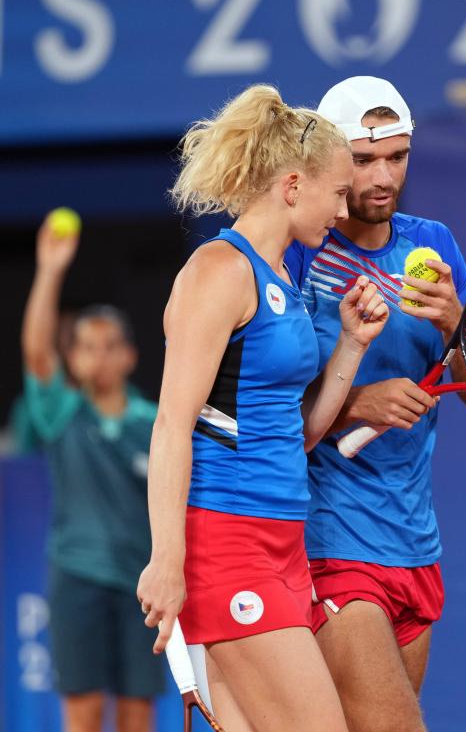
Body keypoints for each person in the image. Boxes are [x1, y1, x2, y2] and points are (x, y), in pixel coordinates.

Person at [136, 84, 389, 732]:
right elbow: (173, 423)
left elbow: (296, 433)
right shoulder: (218, 271)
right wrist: (167, 560)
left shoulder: (285, 281)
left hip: (283, 542)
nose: (344, 207)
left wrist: (353, 348)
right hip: (227, 541)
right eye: (337, 191)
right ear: (293, 186)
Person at [284, 76, 466, 732]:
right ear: (328, 157)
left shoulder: (432, 243)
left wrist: (455, 323)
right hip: (329, 538)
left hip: (414, 544)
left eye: (398, 157)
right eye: (364, 157)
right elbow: (263, 417)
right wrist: (355, 403)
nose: (384, 175)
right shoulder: (297, 254)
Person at [20, 217, 164, 732]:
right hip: (76, 581)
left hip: (143, 588)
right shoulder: (62, 411)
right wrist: (49, 270)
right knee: (81, 716)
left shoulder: (157, 425)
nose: (97, 355)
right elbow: (37, 353)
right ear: (72, 357)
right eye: (85, 345)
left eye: (109, 345)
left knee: (136, 715)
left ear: (129, 356)